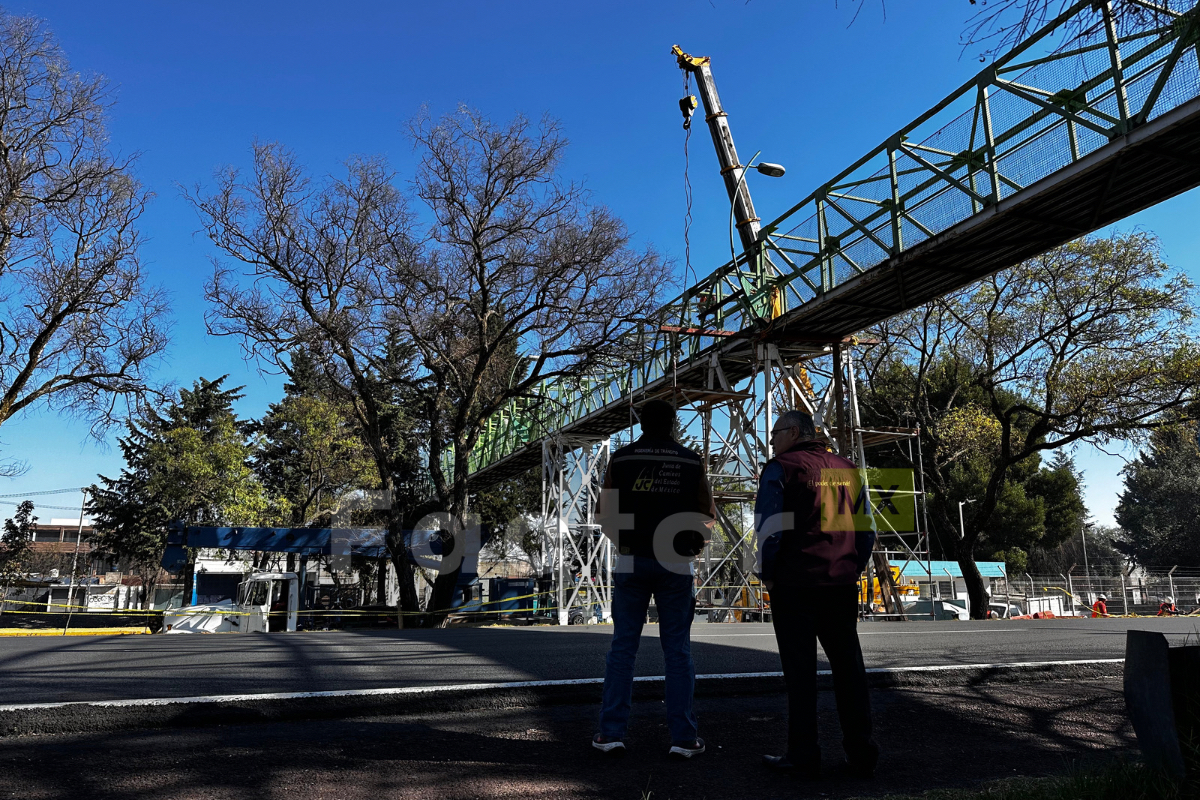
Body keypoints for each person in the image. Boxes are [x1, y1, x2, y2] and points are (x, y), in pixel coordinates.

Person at [756, 409, 879, 780]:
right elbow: (866, 530)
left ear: (794, 432)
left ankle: (803, 754)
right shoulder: (846, 468)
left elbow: (769, 530)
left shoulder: (782, 467)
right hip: (839, 584)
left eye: (776, 433)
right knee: (849, 670)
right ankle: (862, 752)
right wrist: (852, 568)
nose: (772, 440)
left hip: (795, 584)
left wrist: (768, 576)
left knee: (800, 674)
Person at [592, 399, 716, 760]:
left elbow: (605, 516)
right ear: (673, 424)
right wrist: (687, 546)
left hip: (632, 558)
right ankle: (683, 738)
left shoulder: (622, 459)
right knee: (677, 651)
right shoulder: (691, 461)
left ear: (641, 424)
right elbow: (706, 514)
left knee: (623, 648)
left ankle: (610, 733)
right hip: (675, 560)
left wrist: (628, 543)